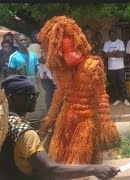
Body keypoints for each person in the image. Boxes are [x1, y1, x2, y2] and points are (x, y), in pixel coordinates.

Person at [0, 75, 119, 180]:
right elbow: (50, 169)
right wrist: (95, 170)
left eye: (35, 94)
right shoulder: (24, 132)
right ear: (11, 98)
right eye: (28, 95)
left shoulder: (4, 124)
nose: (34, 98)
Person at [37, 16, 120, 166]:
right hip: (66, 120)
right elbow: (59, 95)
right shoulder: (61, 70)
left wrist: (106, 122)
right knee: (64, 161)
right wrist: (49, 120)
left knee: (83, 162)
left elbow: (101, 96)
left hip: (87, 121)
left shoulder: (93, 66)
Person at [28, 30, 55, 112]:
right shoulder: (34, 46)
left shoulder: (46, 45)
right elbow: (37, 59)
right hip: (44, 74)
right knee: (48, 93)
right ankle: (48, 113)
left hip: (50, 73)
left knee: (51, 93)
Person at [103, 29, 130, 106]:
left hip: (120, 67)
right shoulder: (107, 43)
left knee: (122, 83)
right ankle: (118, 99)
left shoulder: (120, 42)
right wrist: (116, 52)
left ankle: (125, 99)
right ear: (109, 35)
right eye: (111, 34)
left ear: (116, 34)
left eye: (114, 34)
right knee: (114, 84)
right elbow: (105, 55)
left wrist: (110, 54)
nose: (112, 36)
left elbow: (121, 54)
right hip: (111, 68)